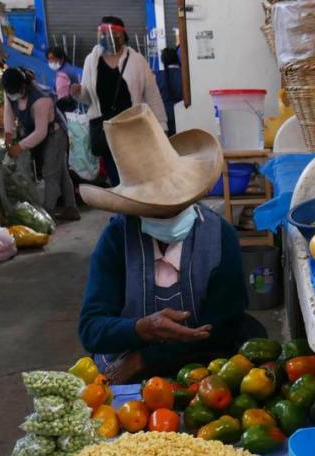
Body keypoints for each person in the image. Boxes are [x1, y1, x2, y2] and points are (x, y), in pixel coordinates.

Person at [78, 105, 265, 384]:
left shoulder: (219, 236)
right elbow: (91, 329)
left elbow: (223, 329)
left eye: (176, 204)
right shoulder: (116, 240)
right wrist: (140, 329)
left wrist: (145, 359)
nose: (167, 214)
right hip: (126, 373)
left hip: (203, 371)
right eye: (154, 209)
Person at [70, 16, 167, 186]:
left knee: (135, 171)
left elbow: (152, 94)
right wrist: (78, 93)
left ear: (123, 36)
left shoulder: (137, 61)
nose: (108, 38)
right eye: (104, 34)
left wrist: (162, 125)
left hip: (132, 126)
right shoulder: (91, 61)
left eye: (113, 34)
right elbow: (88, 99)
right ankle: (127, 211)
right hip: (105, 128)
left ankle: (134, 208)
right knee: (116, 176)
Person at [1, 67, 80, 221]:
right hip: (37, 131)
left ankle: (47, 215)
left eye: (14, 92)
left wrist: (20, 146)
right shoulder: (10, 91)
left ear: (23, 86)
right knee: (60, 170)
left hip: (55, 133)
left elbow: (40, 132)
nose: (11, 95)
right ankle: (72, 208)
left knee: (51, 173)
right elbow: (8, 111)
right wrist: (8, 133)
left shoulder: (41, 98)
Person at [155, 46, 183, 136]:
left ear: (163, 61)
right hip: (182, 115)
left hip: (164, 117)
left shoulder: (158, 76)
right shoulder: (185, 75)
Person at [45, 46, 80, 113]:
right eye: (49, 59)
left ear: (61, 58)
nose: (50, 61)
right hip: (73, 104)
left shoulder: (63, 75)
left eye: (53, 58)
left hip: (69, 108)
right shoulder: (67, 67)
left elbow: (62, 99)